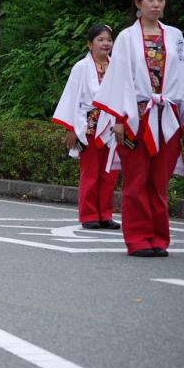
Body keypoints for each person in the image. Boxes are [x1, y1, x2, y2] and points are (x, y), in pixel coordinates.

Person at [93, 0, 184, 257]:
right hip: (135, 117)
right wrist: (118, 118)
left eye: (161, 0)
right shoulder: (128, 38)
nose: (156, 5)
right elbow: (118, 78)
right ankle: (139, 238)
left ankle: (159, 238)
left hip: (168, 116)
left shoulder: (175, 36)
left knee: (160, 180)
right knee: (137, 178)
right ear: (138, 4)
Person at [52, 25, 121, 230]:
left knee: (109, 173)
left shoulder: (117, 67)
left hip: (111, 126)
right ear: (90, 44)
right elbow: (71, 98)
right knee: (90, 172)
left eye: (109, 39)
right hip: (87, 127)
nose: (106, 43)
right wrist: (71, 128)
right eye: (100, 40)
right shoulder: (81, 67)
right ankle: (89, 214)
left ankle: (105, 214)